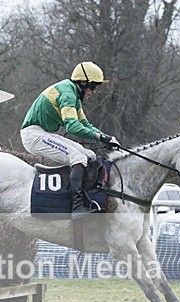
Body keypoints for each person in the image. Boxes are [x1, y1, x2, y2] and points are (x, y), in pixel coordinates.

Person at [20, 61, 120, 218]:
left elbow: (85, 124)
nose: (93, 92)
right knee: (78, 157)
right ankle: (77, 206)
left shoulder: (73, 94)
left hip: (45, 133)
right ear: (83, 82)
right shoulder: (67, 93)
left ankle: (88, 198)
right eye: (93, 87)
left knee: (90, 156)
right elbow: (73, 127)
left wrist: (107, 138)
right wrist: (101, 137)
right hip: (34, 135)